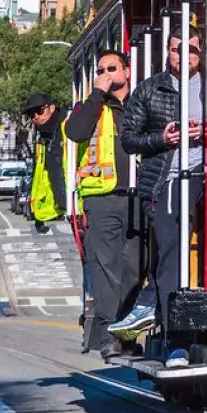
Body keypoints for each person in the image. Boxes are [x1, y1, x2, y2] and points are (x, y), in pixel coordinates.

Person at [110, 32, 204, 367]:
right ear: (168, 52)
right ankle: (176, 341)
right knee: (170, 257)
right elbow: (129, 139)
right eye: (178, 49)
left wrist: (204, 132)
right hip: (168, 180)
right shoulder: (150, 89)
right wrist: (161, 138)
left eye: (192, 49)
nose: (185, 55)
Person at [64, 50, 138, 359]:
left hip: (138, 196)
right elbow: (75, 132)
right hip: (101, 198)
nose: (107, 74)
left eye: (112, 69)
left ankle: (129, 330)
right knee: (108, 269)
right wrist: (96, 93)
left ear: (128, 71)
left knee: (135, 267)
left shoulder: (139, 103)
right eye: (102, 70)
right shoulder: (91, 107)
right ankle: (110, 332)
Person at [22, 92, 65, 236]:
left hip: (83, 205)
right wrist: (39, 215)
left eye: (39, 111)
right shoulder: (43, 140)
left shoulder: (68, 127)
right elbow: (42, 179)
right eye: (31, 114)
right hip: (66, 207)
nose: (36, 117)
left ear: (52, 108)